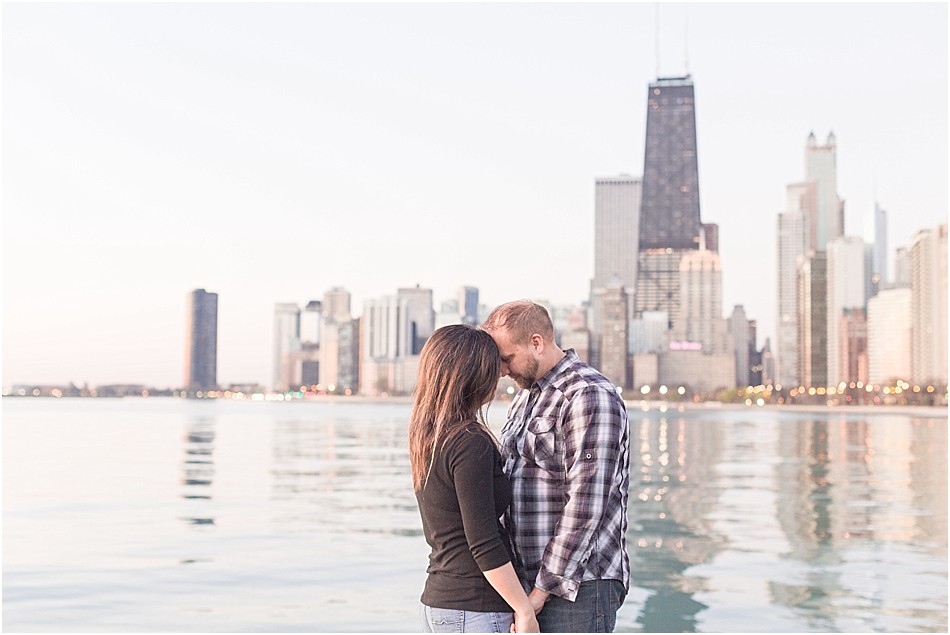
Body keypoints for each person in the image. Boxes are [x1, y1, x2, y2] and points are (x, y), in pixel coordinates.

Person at [480, 300, 630, 633]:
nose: (502, 370)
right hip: (529, 583)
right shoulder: (526, 396)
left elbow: (586, 505)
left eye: (507, 359)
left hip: (577, 587)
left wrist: (539, 594)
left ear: (537, 342)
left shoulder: (588, 395)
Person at [409, 324, 540, 633]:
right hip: (473, 607)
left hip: (439, 602)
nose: (500, 374)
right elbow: (482, 541)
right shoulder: (470, 441)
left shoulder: (428, 436)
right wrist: (524, 609)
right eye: (493, 367)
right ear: (472, 375)